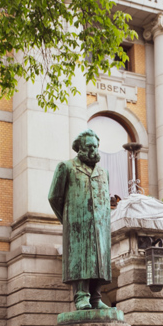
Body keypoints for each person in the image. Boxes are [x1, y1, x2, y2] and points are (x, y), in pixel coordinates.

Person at [48, 129, 111, 311]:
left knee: (99, 262)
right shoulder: (66, 167)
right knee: (82, 260)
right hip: (77, 225)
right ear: (80, 148)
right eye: (90, 146)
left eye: (96, 146)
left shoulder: (104, 172)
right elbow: (54, 197)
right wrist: (68, 219)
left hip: (100, 226)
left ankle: (96, 298)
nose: (94, 150)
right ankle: (81, 297)